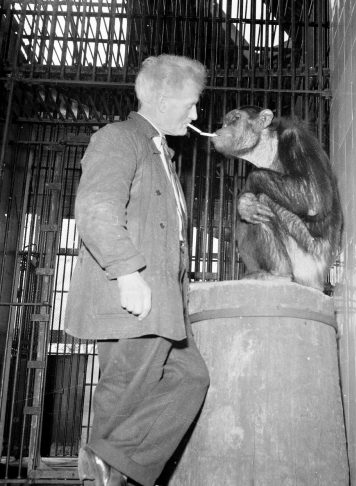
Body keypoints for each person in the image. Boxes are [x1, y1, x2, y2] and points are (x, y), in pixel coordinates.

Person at [64, 54, 210, 486]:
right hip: (135, 296)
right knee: (124, 396)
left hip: (164, 302)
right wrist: (127, 273)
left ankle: (112, 461)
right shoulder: (119, 138)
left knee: (190, 378)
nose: (196, 113)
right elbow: (95, 208)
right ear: (164, 100)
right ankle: (102, 471)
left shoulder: (160, 153)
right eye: (192, 103)